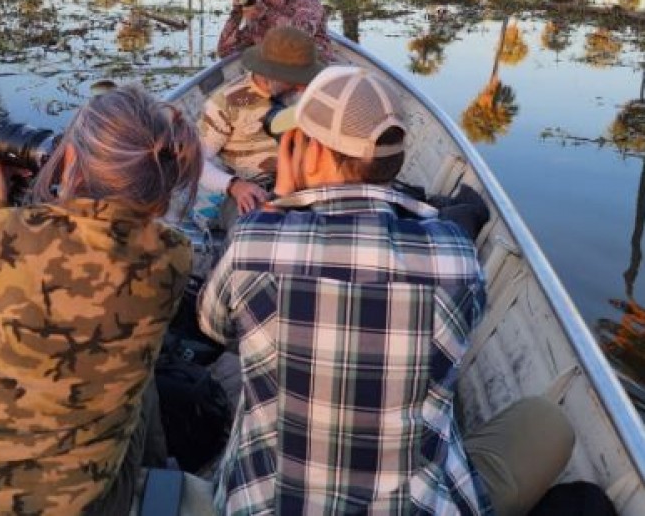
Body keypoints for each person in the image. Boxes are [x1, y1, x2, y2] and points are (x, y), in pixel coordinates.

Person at [198, 66, 574, 515]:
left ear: (313, 151)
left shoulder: (255, 241)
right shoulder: (453, 250)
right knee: (549, 424)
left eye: (292, 141)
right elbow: (461, 334)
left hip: (271, 503)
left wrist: (279, 204)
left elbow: (214, 326)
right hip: (414, 505)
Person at [0, 85, 202, 516]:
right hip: (77, 504)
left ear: (70, 160)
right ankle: (156, 473)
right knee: (143, 389)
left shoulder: (1, 230)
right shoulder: (173, 255)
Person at [200, 25, 324, 221]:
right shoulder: (224, 104)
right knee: (252, 227)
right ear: (270, 75)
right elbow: (195, 163)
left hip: (309, 185)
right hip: (254, 189)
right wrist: (234, 185)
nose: (302, 86)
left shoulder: (314, 92)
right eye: (296, 79)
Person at [216, 0, 332, 61]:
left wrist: (266, 13)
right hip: (278, 74)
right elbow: (225, 50)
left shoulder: (305, 0)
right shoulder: (259, 18)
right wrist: (236, 14)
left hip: (315, 69)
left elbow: (300, 36)